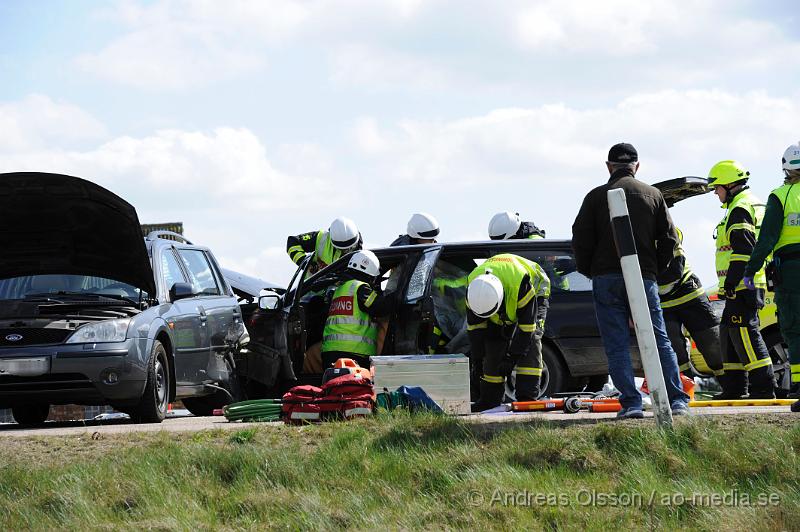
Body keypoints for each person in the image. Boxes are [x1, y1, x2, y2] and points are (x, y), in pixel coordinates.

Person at [571, 142, 690, 419]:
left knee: (616, 341)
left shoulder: (595, 197)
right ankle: (676, 400)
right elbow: (670, 239)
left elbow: (580, 238)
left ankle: (631, 404)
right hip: (643, 276)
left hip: (606, 278)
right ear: (637, 166)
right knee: (659, 338)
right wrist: (653, 270)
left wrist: (591, 270)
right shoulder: (653, 195)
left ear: (608, 166)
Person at [707, 160, 776, 399]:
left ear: (729, 184)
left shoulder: (740, 208)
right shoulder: (746, 204)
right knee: (728, 332)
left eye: (717, 187)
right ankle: (735, 389)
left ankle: (764, 388)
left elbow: (743, 251)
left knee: (746, 333)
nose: (715, 193)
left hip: (742, 284)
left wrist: (730, 283)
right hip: (743, 282)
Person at [743, 144, 800, 411]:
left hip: (792, 273)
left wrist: (750, 269)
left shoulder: (782, 196)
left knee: (794, 330)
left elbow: (766, 240)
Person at [466, 253, 550, 411]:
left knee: (532, 343)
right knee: (493, 344)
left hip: (536, 291)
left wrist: (511, 359)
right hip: (501, 294)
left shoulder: (520, 285)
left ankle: (527, 397)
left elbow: (526, 330)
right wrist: (477, 360)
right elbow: (476, 331)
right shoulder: (473, 290)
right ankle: (490, 400)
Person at [657, 228, 726, 393]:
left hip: (688, 292)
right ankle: (686, 394)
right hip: (662, 301)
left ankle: (733, 388)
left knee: (712, 344)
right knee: (673, 350)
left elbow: (676, 268)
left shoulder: (668, 229)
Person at [320, 250, 395, 370]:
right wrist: (396, 295)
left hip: (329, 352)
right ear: (369, 273)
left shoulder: (339, 289)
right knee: (354, 388)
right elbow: (380, 308)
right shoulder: (360, 288)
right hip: (353, 354)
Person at [286, 217, 362, 275]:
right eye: (341, 249)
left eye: (350, 248)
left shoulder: (362, 256)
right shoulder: (321, 238)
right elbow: (292, 242)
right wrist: (306, 264)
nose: (346, 251)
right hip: (311, 291)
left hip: (340, 293)